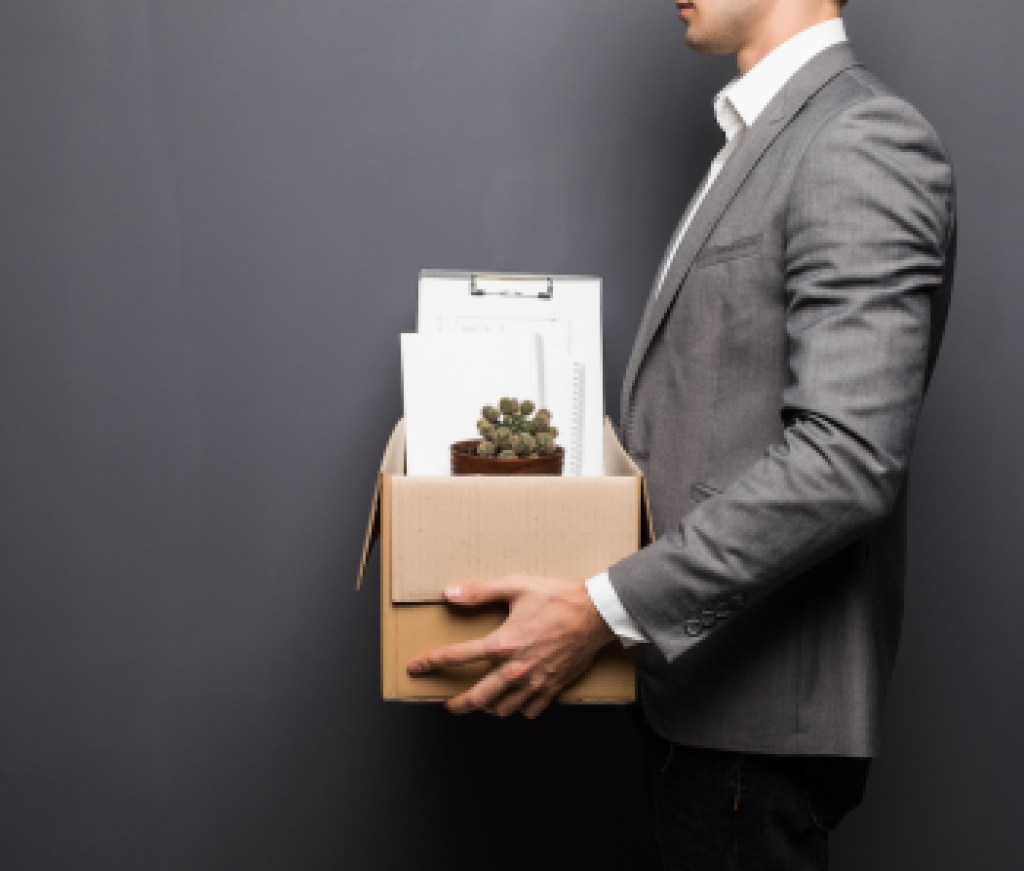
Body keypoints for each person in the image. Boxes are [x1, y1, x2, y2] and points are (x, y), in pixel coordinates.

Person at [407, 0, 957, 867]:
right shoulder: (761, 132)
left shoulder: (861, 141)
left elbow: (846, 460)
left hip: (758, 721)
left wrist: (603, 608)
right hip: (695, 696)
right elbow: (715, 411)